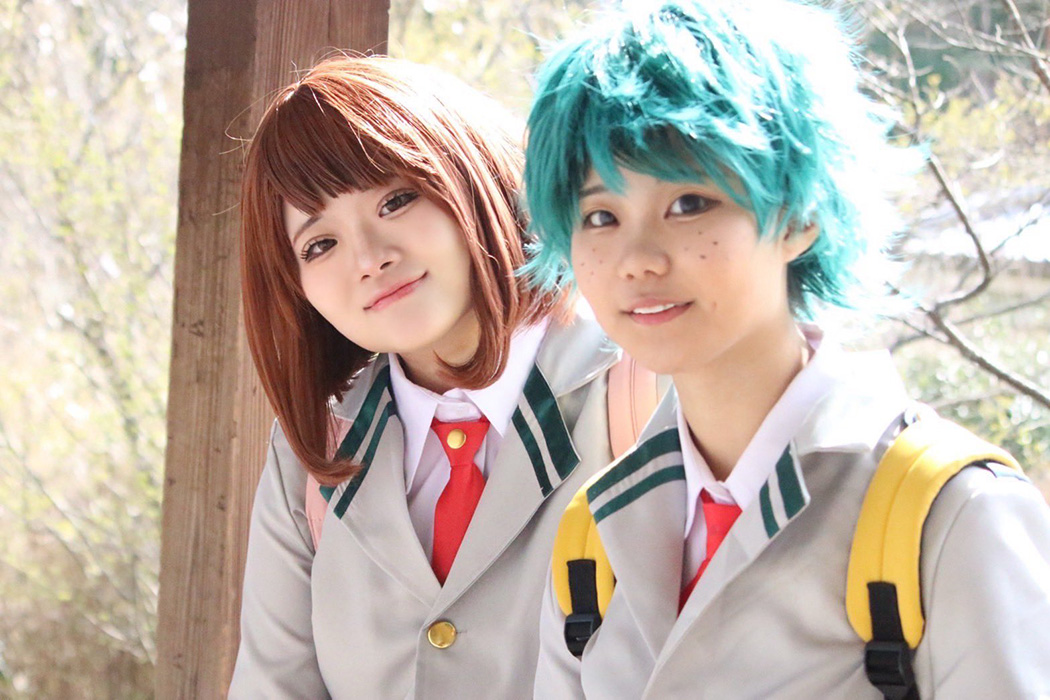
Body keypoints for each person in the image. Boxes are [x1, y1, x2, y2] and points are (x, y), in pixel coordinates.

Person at [522, 1, 1050, 697]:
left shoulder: (952, 512)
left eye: (689, 203)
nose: (637, 258)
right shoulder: (592, 535)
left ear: (801, 216)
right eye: (600, 216)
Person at [229, 55, 624, 699]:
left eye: (395, 200)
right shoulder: (313, 455)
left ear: (472, 177)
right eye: (319, 244)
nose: (369, 258)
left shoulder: (642, 395)